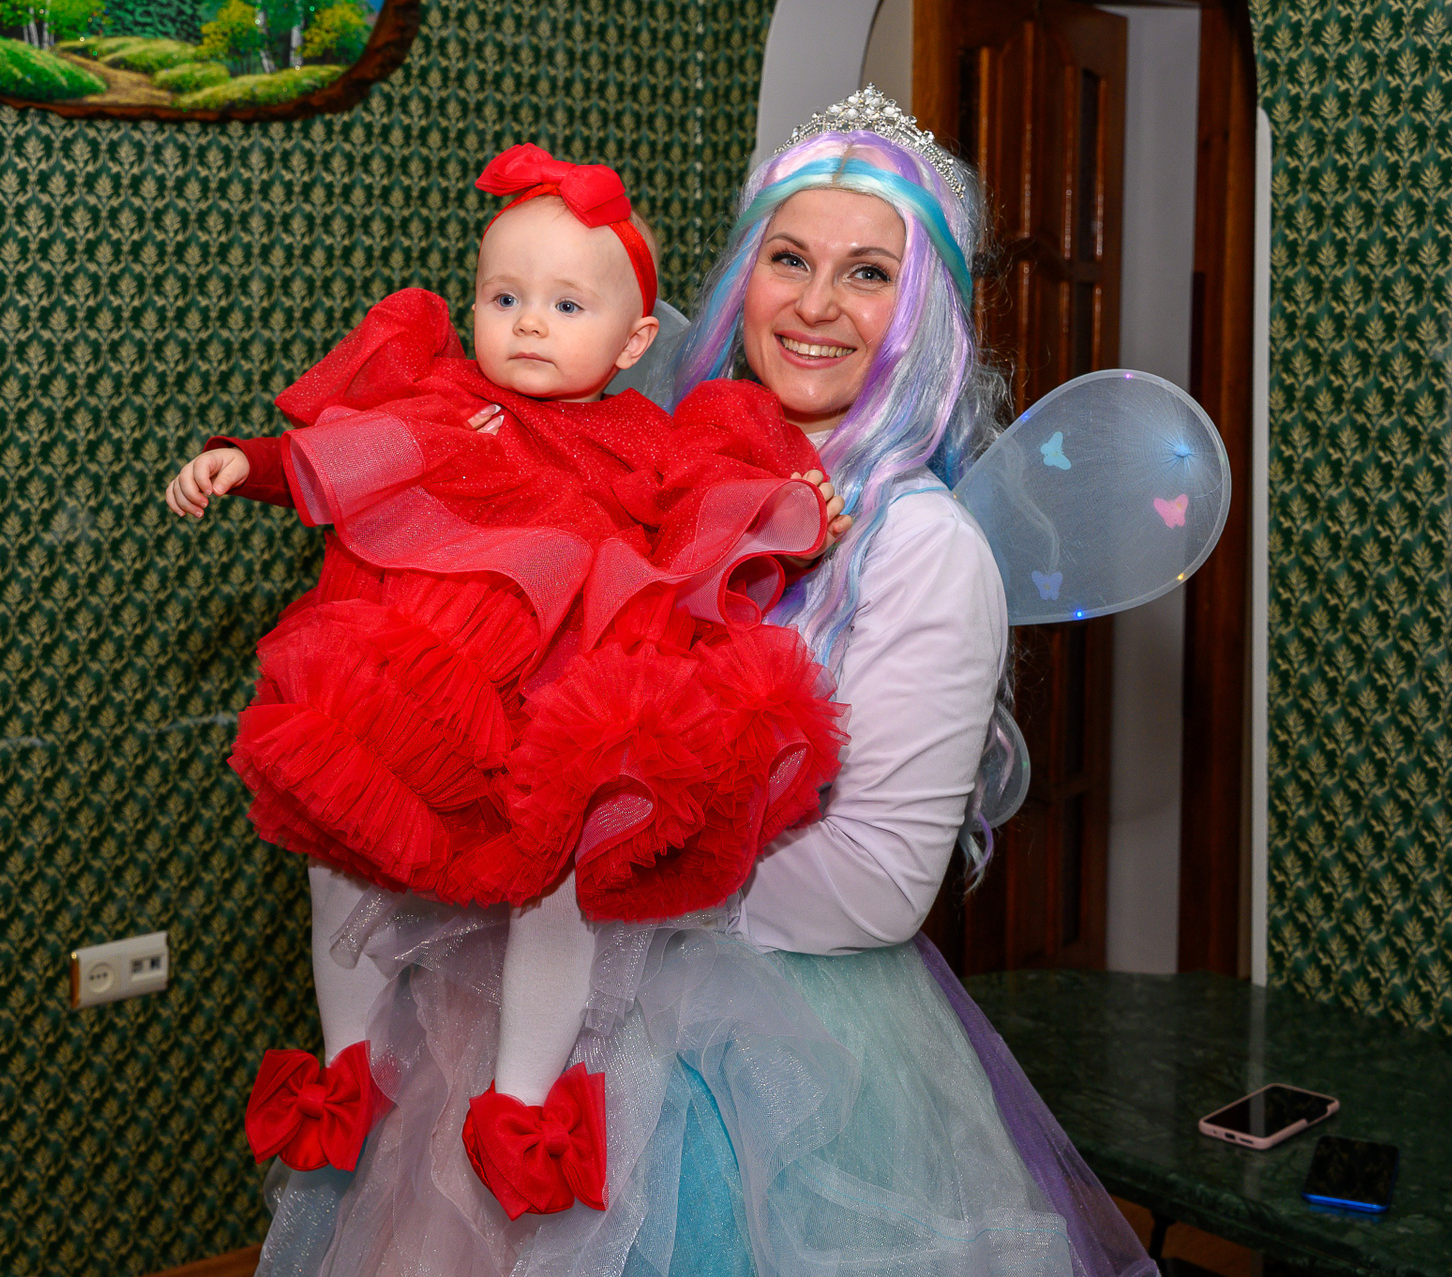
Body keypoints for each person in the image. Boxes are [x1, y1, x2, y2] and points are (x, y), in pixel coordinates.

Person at [245, 90, 1157, 1277]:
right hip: (531, 1021)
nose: (817, 304)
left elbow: (881, 888)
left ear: (924, 315)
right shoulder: (638, 460)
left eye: (868, 273)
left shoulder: (926, 548)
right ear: (743, 278)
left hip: (767, 1074)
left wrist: (597, 862)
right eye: (790, 258)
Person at [167, 145, 855, 1215]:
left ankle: (521, 1103)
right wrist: (243, 463)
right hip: (427, 693)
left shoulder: (642, 436)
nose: (529, 323)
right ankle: (347, 1061)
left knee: (557, 887)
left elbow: (713, 521)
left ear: (633, 340)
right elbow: (339, 458)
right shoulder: (448, 398)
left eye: (566, 304)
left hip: (548, 715)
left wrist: (798, 516)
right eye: (504, 297)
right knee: (333, 844)